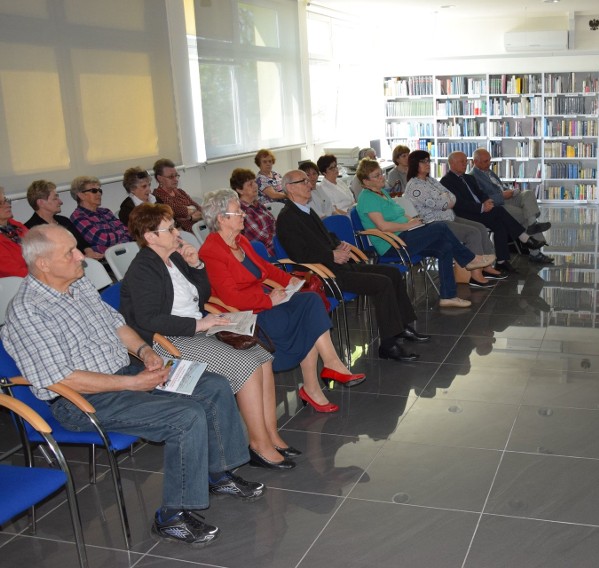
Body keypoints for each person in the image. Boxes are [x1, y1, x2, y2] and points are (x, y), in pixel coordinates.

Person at [2, 224, 264, 547]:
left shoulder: (77, 285)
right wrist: (134, 382)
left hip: (126, 371)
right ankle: (171, 517)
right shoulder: (28, 312)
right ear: (42, 264)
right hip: (83, 400)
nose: (80, 257)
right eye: (69, 252)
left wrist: (144, 352)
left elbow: (117, 325)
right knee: (186, 416)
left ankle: (219, 473)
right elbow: (61, 379)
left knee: (212, 385)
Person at [121, 203, 299, 470]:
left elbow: (201, 296)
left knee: (262, 357)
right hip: (169, 342)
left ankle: (271, 434)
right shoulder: (143, 269)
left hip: (195, 329)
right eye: (169, 229)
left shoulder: (175, 258)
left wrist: (197, 265)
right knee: (246, 365)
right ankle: (258, 445)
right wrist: (199, 325)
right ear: (150, 237)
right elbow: (149, 320)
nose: (177, 232)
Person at [198, 189, 365, 413]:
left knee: (311, 301)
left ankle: (330, 366)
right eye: (237, 212)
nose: (243, 215)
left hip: (264, 301)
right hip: (248, 314)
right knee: (307, 316)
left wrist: (294, 283)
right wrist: (268, 300)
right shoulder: (211, 251)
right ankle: (315, 384)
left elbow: (266, 269)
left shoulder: (240, 241)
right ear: (221, 218)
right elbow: (231, 298)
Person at [276, 169, 429, 361]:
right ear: (290, 188)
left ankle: (401, 328)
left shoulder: (306, 210)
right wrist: (331, 254)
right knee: (382, 283)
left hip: (337, 265)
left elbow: (324, 236)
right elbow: (299, 254)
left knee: (392, 273)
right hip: (324, 275)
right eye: (303, 181)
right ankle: (388, 346)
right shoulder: (287, 218)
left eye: (308, 180)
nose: (309, 184)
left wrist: (338, 244)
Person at [356, 158, 492, 308]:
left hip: (405, 235)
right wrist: (408, 225)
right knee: (440, 227)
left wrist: (415, 221)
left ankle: (448, 296)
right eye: (376, 176)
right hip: (392, 244)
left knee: (445, 246)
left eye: (381, 173)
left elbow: (399, 214)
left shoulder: (381, 193)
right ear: (366, 182)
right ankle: (469, 259)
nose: (382, 177)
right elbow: (383, 227)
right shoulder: (367, 198)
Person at [403, 150, 502, 285]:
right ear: (414, 164)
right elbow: (441, 203)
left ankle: (486, 267)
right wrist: (445, 200)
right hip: (435, 223)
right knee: (472, 233)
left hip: (449, 216)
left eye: (428, 161)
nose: (427, 164)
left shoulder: (430, 180)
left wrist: (445, 200)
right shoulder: (415, 186)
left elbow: (451, 196)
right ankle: (475, 274)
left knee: (480, 227)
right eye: (423, 161)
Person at [440, 151, 548, 275]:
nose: (465, 164)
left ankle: (502, 261)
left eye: (466, 161)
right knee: (500, 212)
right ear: (452, 163)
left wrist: (487, 201)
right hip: (466, 214)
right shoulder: (446, 181)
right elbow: (459, 203)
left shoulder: (468, 178)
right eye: (462, 162)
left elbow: (481, 193)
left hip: (481, 210)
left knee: (499, 224)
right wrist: (481, 207)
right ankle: (524, 238)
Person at [471, 148, 553, 264]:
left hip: (506, 198)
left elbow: (499, 187)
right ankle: (535, 252)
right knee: (525, 214)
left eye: (489, 160)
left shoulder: (489, 172)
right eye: (485, 161)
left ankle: (532, 224)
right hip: (496, 206)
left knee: (528, 194)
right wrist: (502, 195)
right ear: (476, 161)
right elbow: (482, 199)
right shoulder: (472, 177)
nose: (489, 164)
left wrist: (510, 191)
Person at [24, 180, 102, 260]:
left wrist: (90, 253)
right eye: (55, 198)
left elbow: (83, 243)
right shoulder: (31, 230)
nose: (60, 202)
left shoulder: (64, 220)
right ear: (41, 203)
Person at [68, 175, 132, 254]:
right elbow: (103, 239)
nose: (99, 194)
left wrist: (118, 246)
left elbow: (128, 231)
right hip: (105, 260)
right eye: (94, 191)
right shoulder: (78, 217)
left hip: (123, 252)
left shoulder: (106, 211)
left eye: (99, 191)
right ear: (81, 195)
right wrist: (120, 236)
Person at [231, 168, 276, 256]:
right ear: (239, 190)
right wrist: (283, 239)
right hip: (268, 253)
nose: (255, 186)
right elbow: (262, 237)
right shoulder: (242, 211)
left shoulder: (257, 204)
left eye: (255, 182)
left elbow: (274, 224)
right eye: (250, 184)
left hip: (277, 245)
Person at [152, 158, 202, 232]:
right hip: (183, 233)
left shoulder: (180, 192)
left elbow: (200, 209)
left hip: (199, 228)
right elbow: (179, 211)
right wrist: (191, 210)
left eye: (176, 175)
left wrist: (189, 217)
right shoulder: (158, 196)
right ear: (160, 178)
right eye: (171, 177)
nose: (175, 179)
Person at [0, 187, 28, 277]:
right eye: (0, 203)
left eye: (6, 200)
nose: (8, 205)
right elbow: (16, 273)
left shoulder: (17, 226)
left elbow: (42, 248)